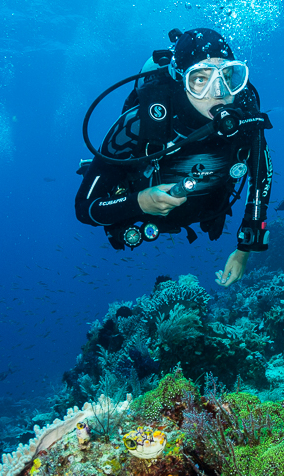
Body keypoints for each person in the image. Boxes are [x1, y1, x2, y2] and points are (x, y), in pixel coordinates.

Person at [75, 28, 272, 287]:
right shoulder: (136, 125)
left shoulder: (243, 120)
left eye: (227, 76)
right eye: (200, 79)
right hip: (144, 216)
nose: (219, 92)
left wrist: (244, 250)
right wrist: (140, 202)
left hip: (208, 211)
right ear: (180, 79)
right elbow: (84, 209)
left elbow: (260, 180)